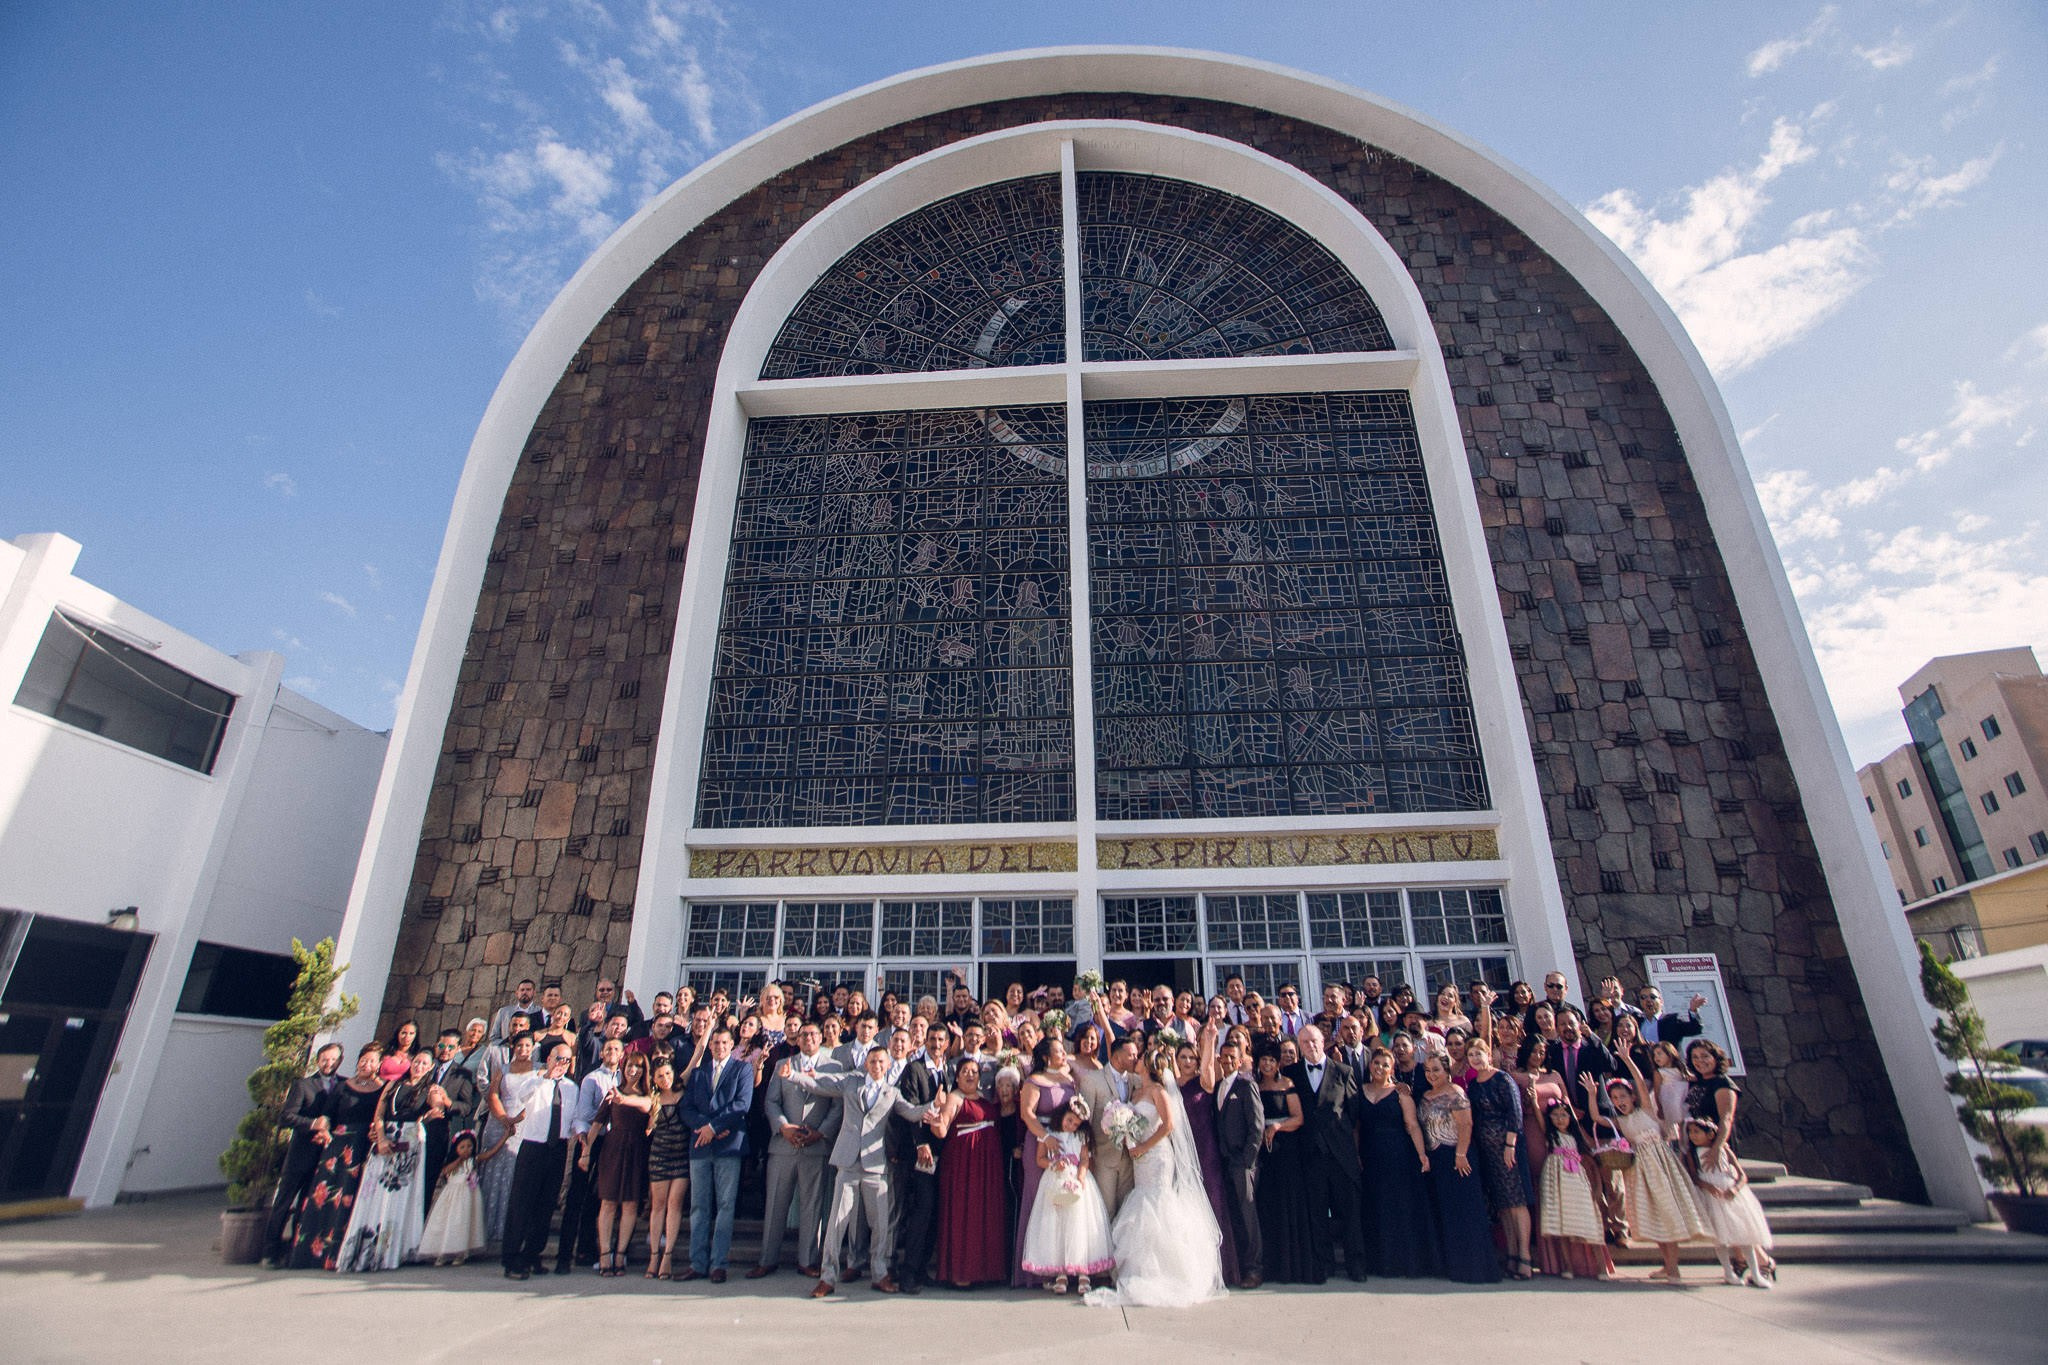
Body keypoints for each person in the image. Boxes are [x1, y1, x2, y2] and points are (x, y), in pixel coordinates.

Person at [782, 1044, 938, 1298]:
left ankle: (879, 1274)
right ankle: (828, 1277)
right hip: (848, 1160)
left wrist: (932, 1107)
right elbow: (822, 1083)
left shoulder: (892, 1093)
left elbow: (912, 1112)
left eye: (881, 1062)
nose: (877, 1066)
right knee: (837, 1223)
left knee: (881, 1224)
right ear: (866, 1064)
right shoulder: (851, 1083)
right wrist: (792, 1076)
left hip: (876, 1165)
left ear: (888, 1066)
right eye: (873, 1061)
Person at [1082, 1043, 1226, 1308]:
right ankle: (1138, 1269)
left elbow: (1169, 1125)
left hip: (1157, 1155)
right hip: (1139, 1157)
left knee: (1157, 1204)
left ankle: (1165, 1271)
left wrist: (1143, 1147)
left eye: (1140, 1058)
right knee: (1141, 1203)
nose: (1136, 1059)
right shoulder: (1137, 1092)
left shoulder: (1159, 1091)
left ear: (1148, 1066)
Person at [1610, 1057, 1711, 1282]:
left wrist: (1627, 1059)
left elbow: (1638, 1081)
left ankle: (1673, 1267)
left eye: (1623, 1096)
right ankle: (1667, 1265)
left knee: (1667, 1212)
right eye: (1615, 1098)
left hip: (1661, 1166)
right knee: (1655, 1215)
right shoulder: (1621, 1121)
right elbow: (1597, 1118)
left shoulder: (1646, 1110)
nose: (1619, 1101)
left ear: (1633, 1096)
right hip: (1642, 1172)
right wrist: (1589, 1093)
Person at [753, 1021, 840, 1280]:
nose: (809, 1038)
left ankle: (807, 1260)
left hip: (816, 1146)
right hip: (784, 1146)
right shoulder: (783, 1066)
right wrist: (782, 1127)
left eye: (814, 1033)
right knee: (776, 1204)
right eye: (804, 1035)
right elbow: (771, 1102)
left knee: (812, 1206)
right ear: (798, 1039)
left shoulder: (832, 1067)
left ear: (821, 1036)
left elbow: (837, 1106)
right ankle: (767, 1259)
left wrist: (821, 1132)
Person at [287, 1044, 385, 1270]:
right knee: (322, 1197)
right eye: (363, 1059)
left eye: (371, 1061)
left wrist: (375, 1132)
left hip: (361, 1149)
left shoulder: (382, 1090)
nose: (365, 1064)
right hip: (336, 1148)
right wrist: (323, 1129)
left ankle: (338, 1255)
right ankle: (308, 1254)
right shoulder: (343, 1087)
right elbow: (327, 1114)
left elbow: (381, 1117)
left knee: (348, 1198)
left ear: (378, 1065)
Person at [335, 1047, 433, 1271]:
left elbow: (438, 1106)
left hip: (409, 1142)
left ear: (430, 1068)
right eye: (417, 1062)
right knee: (373, 1193)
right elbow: (379, 1113)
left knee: (399, 1198)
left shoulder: (431, 1089)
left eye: (424, 1064)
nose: (419, 1067)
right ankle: (362, 1248)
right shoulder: (394, 1084)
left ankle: (390, 1252)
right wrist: (380, 1138)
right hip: (386, 1137)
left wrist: (434, 1111)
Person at [1287, 1024, 1368, 1282]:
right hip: (1310, 1155)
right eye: (1304, 1043)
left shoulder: (1344, 1071)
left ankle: (1356, 1264)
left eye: (1314, 1041)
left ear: (1323, 1042)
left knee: (1350, 1213)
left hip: (1341, 1154)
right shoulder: (1291, 1073)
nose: (1310, 1046)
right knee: (1317, 1213)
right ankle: (1324, 1265)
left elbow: (1354, 1112)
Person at [927, 1056, 1010, 1288]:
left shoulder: (985, 1099)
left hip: (988, 1167)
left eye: (974, 1071)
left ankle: (986, 1270)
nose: (971, 1075)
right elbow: (942, 1129)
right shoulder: (954, 1098)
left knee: (986, 1213)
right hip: (964, 1165)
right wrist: (936, 1120)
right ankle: (962, 1271)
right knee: (966, 1213)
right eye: (965, 1071)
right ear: (957, 1075)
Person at [679, 1025, 753, 1282]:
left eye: (724, 1043)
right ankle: (697, 1263)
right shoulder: (699, 1074)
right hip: (700, 1145)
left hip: (728, 1144)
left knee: (725, 1205)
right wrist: (704, 1128)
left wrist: (714, 1126)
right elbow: (686, 1108)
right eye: (715, 1043)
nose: (719, 1047)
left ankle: (718, 1263)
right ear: (709, 1046)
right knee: (699, 1206)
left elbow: (741, 1104)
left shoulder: (742, 1069)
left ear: (731, 1046)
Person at [1356, 1046, 1438, 1278]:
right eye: (1376, 1063)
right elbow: (1356, 1127)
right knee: (1376, 1205)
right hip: (1370, 1155)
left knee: (1399, 1205)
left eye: (1385, 1064)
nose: (1380, 1067)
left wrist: (1422, 1155)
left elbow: (1412, 1126)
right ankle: (1380, 1262)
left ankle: (1404, 1261)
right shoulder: (1359, 1091)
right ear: (1370, 1066)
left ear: (1392, 1068)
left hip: (1398, 1155)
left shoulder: (1401, 1094)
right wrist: (1355, 1153)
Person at [1418, 1053, 1499, 1283]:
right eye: (1428, 1070)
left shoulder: (1456, 1092)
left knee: (1466, 1211)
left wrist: (1461, 1153)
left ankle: (1474, 1266)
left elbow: (1466, 1123)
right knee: (1446, 1212)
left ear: (1446, 1071)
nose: (1432, 1075)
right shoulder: (1425, 1096)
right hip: (1436, 1159)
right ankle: (1452, 1265)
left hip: (1457, 1156)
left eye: (1436, 1070)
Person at [1018, 1096, 1113, 1294]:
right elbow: (1040, 1159)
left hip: (1076, 1180)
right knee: (1058, 1224)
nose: (1071, 1126)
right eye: (1069, 1120)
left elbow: (1085, 1159)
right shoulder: (1049, 1134)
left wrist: (1081, 1175)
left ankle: (1083, 1272)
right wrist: (1054, 1164)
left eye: (1076, 1124)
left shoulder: (1080, 1137)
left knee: (1079, 1224)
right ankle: (1061, 1272)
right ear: (1062, 1116)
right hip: (1055, 1179)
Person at [501, 1043, 578, 1280]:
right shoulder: (535, 1080)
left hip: (558, 1148)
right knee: (522, 1203)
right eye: (558, 1059)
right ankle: (512, 1257)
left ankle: (533, 1253)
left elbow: (572, 1118)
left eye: (566, 1060)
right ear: (549, 1058)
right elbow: (523, 1096)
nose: (562, 1064)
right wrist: (546, 1076)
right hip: (534, 1146)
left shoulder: (571, 1087)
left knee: (546, 1204)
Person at [263, 1042, 343, 1266]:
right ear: (318, 1061)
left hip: (325, 1154)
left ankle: (296, 1250)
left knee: (307, 1205)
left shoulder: (343, 1085)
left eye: (333, 1059)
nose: (329, 1063)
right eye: (325, 1059)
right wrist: (312, 1125)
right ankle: (270, 1250)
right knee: (284, 1202)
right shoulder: (303, 1085)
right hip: (301, 1153)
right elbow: (287, 1117)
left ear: (340, 1061)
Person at [1172, 1034, 1240, 1287]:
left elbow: (1209, 1068)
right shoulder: (1170, 1084)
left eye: (1192, 1057)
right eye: (1183, 1057)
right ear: (1175, 1060)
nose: (1188, 1061)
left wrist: (1209, 1039)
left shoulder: (1204, 1083)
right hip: (1178, 1151)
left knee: (1212, 1201)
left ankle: (1222, 1268)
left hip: (1206, 1149)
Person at [1013, 1035, 1079, 1286]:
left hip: (1065, 1143)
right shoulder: (1034, 1081)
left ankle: (1062, 1266)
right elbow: (1027, 1114)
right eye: (1059, 1051)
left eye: (1063, 1051)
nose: (1063, 1054)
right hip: (1040, 1142)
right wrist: (1044, 1137)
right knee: (1038, 1198)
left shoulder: (1069, 1080)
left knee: (1063, 1199)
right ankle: (1034, 1271)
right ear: (1045, 1056)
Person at [1252, 1041, 1318, 1284]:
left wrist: (1278, 1126)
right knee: (1268, 1204)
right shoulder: (1256, 1086)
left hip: (1286, 1148)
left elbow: (1299, 1118)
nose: (1267, 1064)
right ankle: (1272, 1265)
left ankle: (1293, 1265)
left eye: (1272, 1060)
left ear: (1278, 1063)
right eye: (1264, 1060)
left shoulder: (1287, 1085)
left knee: (1288, 1202)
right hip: (1265, 1152)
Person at [1684, 1116, 1776, 1288]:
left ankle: (1756, 1273)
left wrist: (1735, 1188)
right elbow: (1694, 1177)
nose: (1692, 1135)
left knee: (1744, 1233)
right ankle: (1728, 1271)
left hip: (1730, 1192)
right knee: (1719, 1236)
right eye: (1690, 1132)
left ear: (1710, 1134)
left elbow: (1742, 1175)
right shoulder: (1691, 1153)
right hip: (1711, 1196)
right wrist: (1707, 1186)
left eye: (1696, 1132)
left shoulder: (1724, 1149)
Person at [557, 1035, 623, 1273]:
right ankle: (564, 1255)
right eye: (608, 1049)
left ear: (622, 1053)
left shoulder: (626, 1078)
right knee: (577, 1197)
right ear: (602, 1054)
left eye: (617, 1048)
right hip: (591, 1141)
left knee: (599, 1198)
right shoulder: (592, 1078)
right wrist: (584, 1143)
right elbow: (583, 1114)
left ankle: (586, 1248)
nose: (612, 1052)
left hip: (613, 1144)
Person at [886, 1024, 942, 1294]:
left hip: (944, 1150)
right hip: (921, 1152)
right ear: (925, 1042)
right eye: (932, 1039)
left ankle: (921, 1269)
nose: (937, 1043)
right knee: (922, 1209)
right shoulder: (914, 1069)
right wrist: (920, 1142)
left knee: (934, 1212)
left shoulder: (949, 1070)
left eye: (941, 1039)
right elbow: (909, 1107)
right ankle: (908, 1272)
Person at [589, 1050, 655, 1275]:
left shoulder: (648, 1095)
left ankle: (620, 1253)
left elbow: (647, 1106)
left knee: (630, 1204)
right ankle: (604, 1253)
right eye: (630, 1066)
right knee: (607, 1202)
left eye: (638, 1067)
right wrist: (586, 1152)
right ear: (623, 1068)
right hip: (614, 1148)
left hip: (637, 1148)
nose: (633, 1070)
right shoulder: (612, 1092)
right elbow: (598, 1123)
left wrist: (624, 1099)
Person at [1533, 1099, 1610, 1280]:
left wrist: (1597, 1187)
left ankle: (1601, 1267)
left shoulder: (1577, 1137)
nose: (1560, 1119)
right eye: (1555, 1115)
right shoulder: (1550, 1136)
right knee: (1561, 1218)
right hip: (1556, 1177)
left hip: (1576, 1177)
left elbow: (1590, 1158)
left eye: (1564, 1115)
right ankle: (1567, 1266)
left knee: (1588, 1218)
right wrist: (1534, 1095)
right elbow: (1538, 1116)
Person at [1211, 1037, 1264, 1288]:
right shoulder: (1219, 1085)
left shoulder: (1246, 1085)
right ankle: (1237, 1268)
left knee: (1248, 1216)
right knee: (1233, 1217)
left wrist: (1248, 1160)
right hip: (1224, 1161)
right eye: (1225, 1056)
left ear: (1240, 1060)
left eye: (1233, 1057)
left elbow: (1257, 1126)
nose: (1228, 1061)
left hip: (1243, 1163)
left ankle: (1254, 1268)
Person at [478, 1032, 539, 1245]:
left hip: (525, 1122)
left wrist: (518, 1119)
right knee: (494, 1170)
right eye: (519, 1046)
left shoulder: (540, 1069)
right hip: (499, 1120)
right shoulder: (502, 1069)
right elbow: (493, 1094)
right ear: (513, 1047)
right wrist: (504, 1118)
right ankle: (486, 1227)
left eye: (527, 1046)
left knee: (516, 1172)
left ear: (533, 1047)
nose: (523, 1050)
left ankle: (510, 1228)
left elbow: (537, 1097)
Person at [419, 1028, 480, 1223]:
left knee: (427, 1181)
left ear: (458, 1049)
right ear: (437, 1046)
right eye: (442, 1045)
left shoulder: (462, 1074)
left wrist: (447, 1102)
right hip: (415, 1129)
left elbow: (466, 1106)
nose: (445, 1050)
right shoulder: (424, 1066)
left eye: (451, 1047)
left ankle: (420, 1224)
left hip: (438, 1132)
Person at [1076, 1036, 1140, 1220]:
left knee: (1127, 1211)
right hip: (1103, 1155)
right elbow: (1084, 1121)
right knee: (1105, 1210)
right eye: (1132, 1055)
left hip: (1129, 1157)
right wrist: (1086, 1156)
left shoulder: (1136, 1080)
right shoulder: (1092, 1080)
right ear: (1118, 1057)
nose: (1136, 1059)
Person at [418, 1129, 494, 1265]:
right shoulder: (453, 1163)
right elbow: (445, 1171)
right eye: (462, 1147)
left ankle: (460, 1252)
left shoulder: (473, 1160)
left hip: (468, 1197)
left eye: (470, 1146)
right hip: (452, 1196)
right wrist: (459, 1159)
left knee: (463, 1223)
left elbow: (489, 1154)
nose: (466, 1150)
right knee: (447, 1222)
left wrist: (505, 1137)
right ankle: (442, 1252)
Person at [644, 1057, 690, 1280]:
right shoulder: (652, 1099)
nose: (665, 1079)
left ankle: (667, 1256)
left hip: (681, 1157)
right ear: (653, 1078)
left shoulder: (683, 1093)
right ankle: (654, 1255)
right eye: (660, 1075)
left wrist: (710, 1027)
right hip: (659, 1156)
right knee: (658, 1206)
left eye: (668, 1074)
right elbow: (634, 1103)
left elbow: (696, 1057)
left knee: (675, 1205)